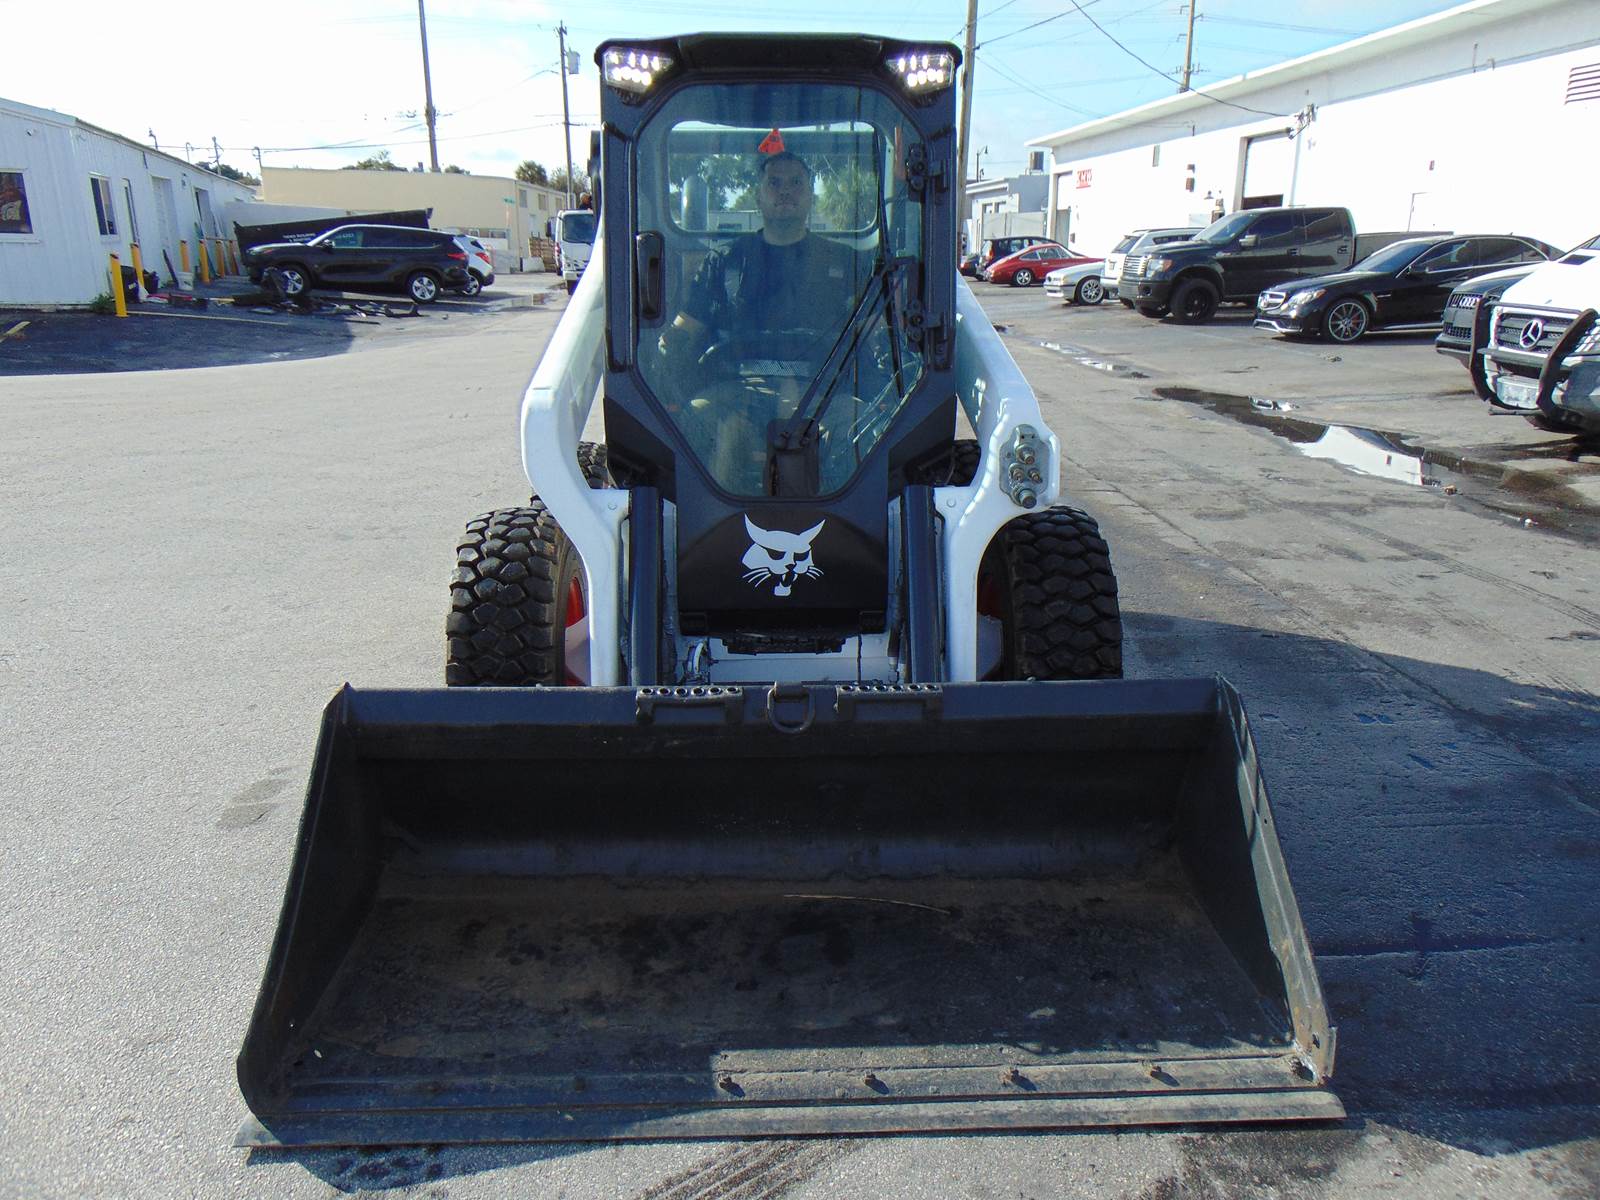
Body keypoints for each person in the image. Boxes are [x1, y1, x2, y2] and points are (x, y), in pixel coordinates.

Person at [659, 150, 861, 374]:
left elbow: (878, 332)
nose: (785, 191)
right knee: (696, 410)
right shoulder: (723, 262)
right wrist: (668, 345)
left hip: (824, 393)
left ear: (811, 196)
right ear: (758, 197)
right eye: (774, 183)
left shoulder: (844, 261)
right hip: (736, 393)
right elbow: (686, 326)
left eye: (796, 182)